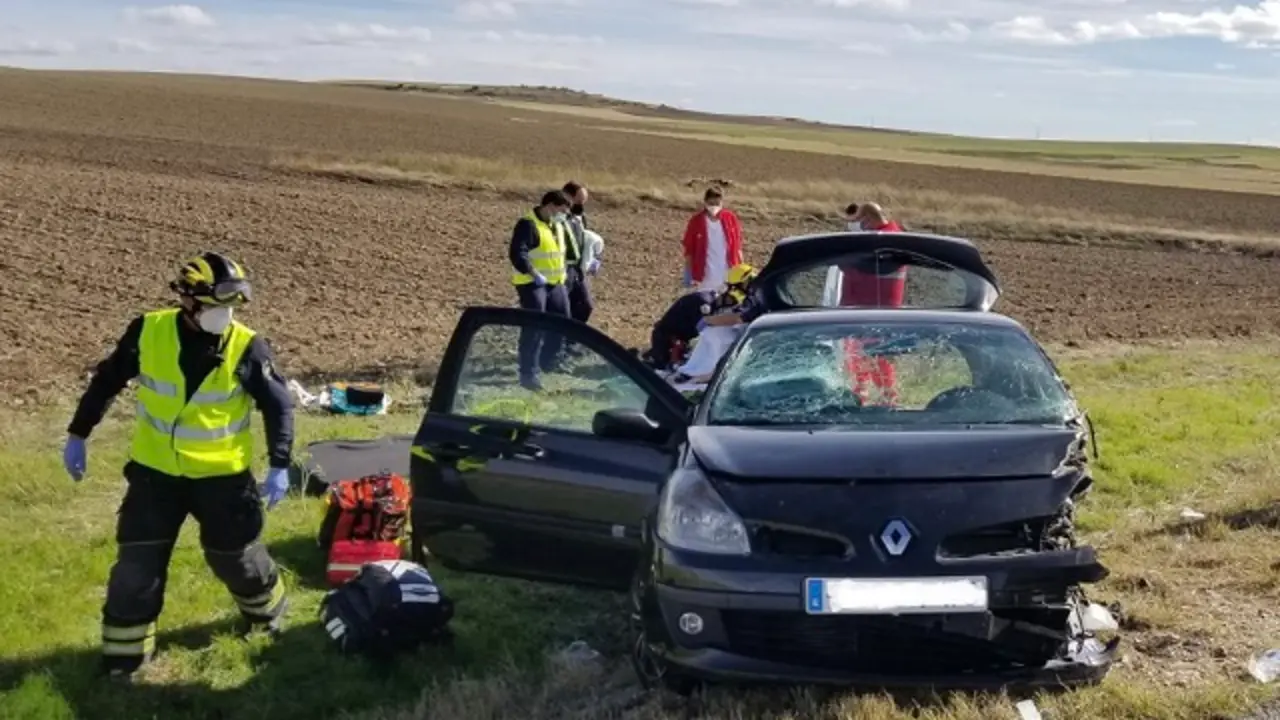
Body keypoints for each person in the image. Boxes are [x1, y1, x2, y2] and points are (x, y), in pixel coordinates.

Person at [61, 252, 294, 680]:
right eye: (214, 306)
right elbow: (107, 380)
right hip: (156, 479)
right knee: (136, 570)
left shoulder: (247, 345)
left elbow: (278, 405)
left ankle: (269, 618)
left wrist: (280, 463)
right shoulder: (147, 332)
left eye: (230, 307)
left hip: (223, 481)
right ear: (187, 299)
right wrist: (79, 433)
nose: (223, 315)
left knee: (237, 561)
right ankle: (124, 661)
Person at [510, 190, 573, 390]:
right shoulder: (528, 224)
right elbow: (517, 253)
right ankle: (529, 374)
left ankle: (549, 362)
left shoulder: (557, 225)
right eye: (560, 210)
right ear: (550, 206)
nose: (563, 215)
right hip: (532, 283)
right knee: (534, 327)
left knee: (562, 322)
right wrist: (533, 272)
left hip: (556, 283)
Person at [645, 287, 743, 371]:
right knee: (659, 370)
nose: (729, 305)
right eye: (731, 301)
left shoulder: (710, 300)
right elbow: (700, 328)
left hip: (673, 338)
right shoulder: (705, 303)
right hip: (666, 338)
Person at [681, 187, 744, 292]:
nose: (714, 207)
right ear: (705, 202)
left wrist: (741, 268)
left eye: (717, 203)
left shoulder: (731, 219)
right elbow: (689, 249)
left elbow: (737, 246)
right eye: (711, 203)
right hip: (705, 278)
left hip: (727, 275)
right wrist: (689, 274)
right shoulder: (696, 221)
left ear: (722, 203)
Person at [560, 181, 600, 330]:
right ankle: (559, 343)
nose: (582, 204)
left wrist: (594, 259)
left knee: (585, 306)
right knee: (563, 308)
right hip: (563, 269)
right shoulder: (559, 217)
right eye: (579, 199)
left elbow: (585, 239)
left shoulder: (580, 217)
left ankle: (571, 340)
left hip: (578, 269)